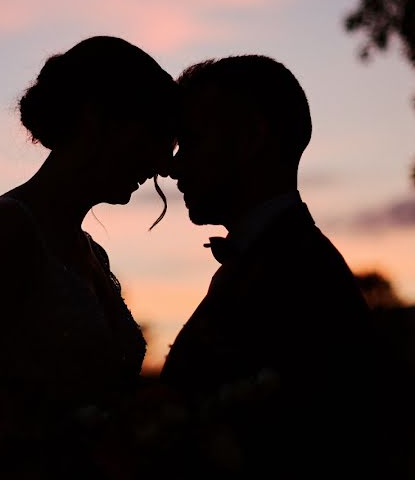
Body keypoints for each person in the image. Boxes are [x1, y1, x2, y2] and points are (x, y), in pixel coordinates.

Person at [0, 36, 177, 475]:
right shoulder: (3, 230)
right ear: (96, 119)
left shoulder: (94, 254)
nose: (163, 162)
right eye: (153, 135)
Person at [161, 55, 381, 475]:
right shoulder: (279, 258)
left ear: (250, 138)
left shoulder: (303, 277)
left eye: (189, 141)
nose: (173, 165)